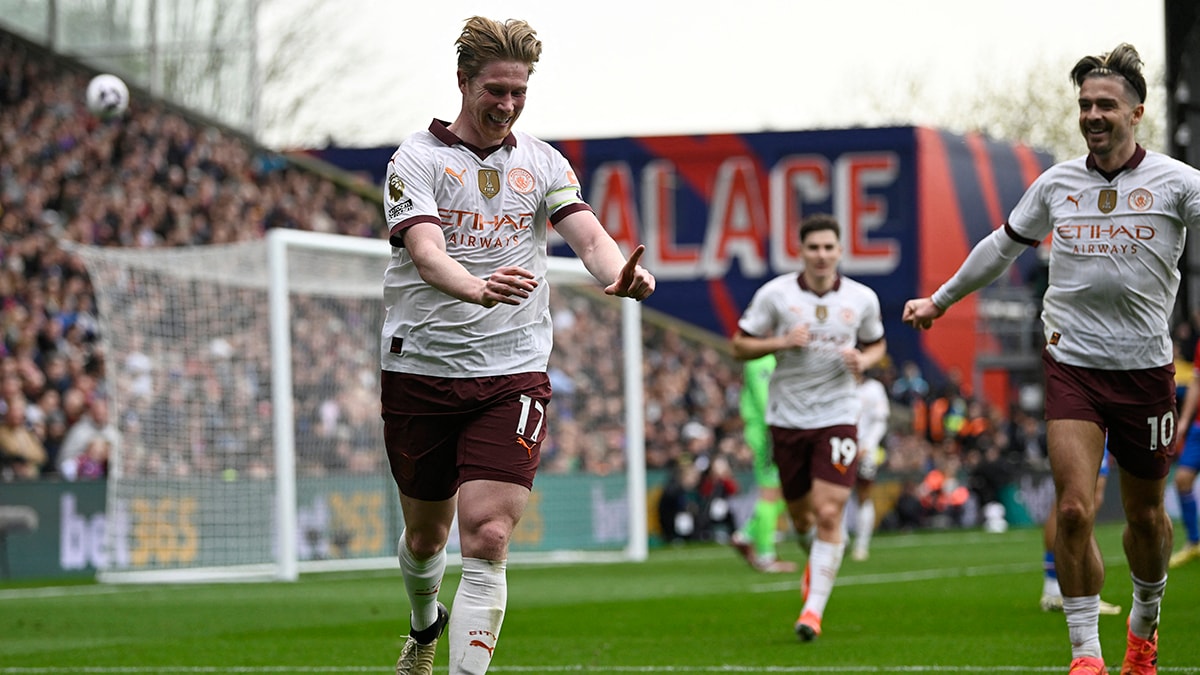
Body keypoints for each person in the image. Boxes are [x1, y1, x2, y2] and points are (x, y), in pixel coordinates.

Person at [903, 43, 1199, 674]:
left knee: (1147, 519)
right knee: (1072, 507)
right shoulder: (1057, 183)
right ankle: (1086, 653)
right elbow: (1000, 246)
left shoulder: (1177, 183)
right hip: (1072, 364)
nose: (1093, 114)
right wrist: (939, 300)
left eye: (1106, 105)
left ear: (1137, 112)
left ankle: (1143, 635)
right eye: (1085, 104)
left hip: (1146, 373)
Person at [379, 16, 655, 675]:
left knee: (490, 534)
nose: (506, 104)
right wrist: (475, 289)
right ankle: (424, 625)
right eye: (494, 90)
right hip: (421, 367)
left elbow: (587, 235)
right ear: (463, 81)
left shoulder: (542, 161)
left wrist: (614, 271)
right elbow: (424, 252)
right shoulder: (416, 159)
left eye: (518, 92)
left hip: (514, 370)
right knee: (426, 536)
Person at [731, 213, 886, 642]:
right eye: (813, 247)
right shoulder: (775, 296)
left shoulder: (861, 299)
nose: (821, 255)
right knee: (801, 519)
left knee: (830, 511)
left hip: (838, 414)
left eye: (828, 247)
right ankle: (813, 557)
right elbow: (739, 344)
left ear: (840, 251)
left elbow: (876, 343)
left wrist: (865, 361)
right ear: (801, 251)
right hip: (787, 418)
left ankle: (812, 611)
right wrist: (780, 342)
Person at [729, 354, 798, 573]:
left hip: (773, 430)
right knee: (771, 492)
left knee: (785, 492)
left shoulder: (770, 357)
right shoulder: (760, 359)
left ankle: (747, 535)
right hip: (768, 433)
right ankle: (765, 556)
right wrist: (776, 431)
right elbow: (764, 399)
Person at [1040, 450, 1122, 615]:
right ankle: (1059, 589)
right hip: (1086, 427)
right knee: (1075, 498)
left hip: (1095, 428)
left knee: (1083, 497)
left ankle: (1055, 588)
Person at [848, 368, 889, 561]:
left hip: (866, 450)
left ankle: (861, 545)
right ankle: (838, 541)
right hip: (841, 448)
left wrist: (867, 444)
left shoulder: (874, 389)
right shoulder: (837, 386)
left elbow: (880, 421)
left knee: (863, 494)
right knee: (835, 494)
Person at [1169, 342, 1200, 567]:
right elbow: (1196, 384)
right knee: (1182, 480)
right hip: (1199, 427)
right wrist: (1185, 421)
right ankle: (1194, 542)